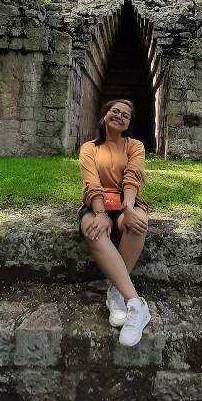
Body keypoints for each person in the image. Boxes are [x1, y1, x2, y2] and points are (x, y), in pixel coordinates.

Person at [77, 99, 151, 347]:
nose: (119, 116)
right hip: (96, 203)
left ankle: (116, 293)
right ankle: (136, 303)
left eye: (125, 115)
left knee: (137, 222)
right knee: (93, 230)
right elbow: (91, 182)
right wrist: (99, 213)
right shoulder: (89, 147)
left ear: (129, 123)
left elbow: (133, 176)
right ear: (105, 114)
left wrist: (129, 208)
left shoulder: (135, 146)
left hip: (126, 201)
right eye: (115, 111)